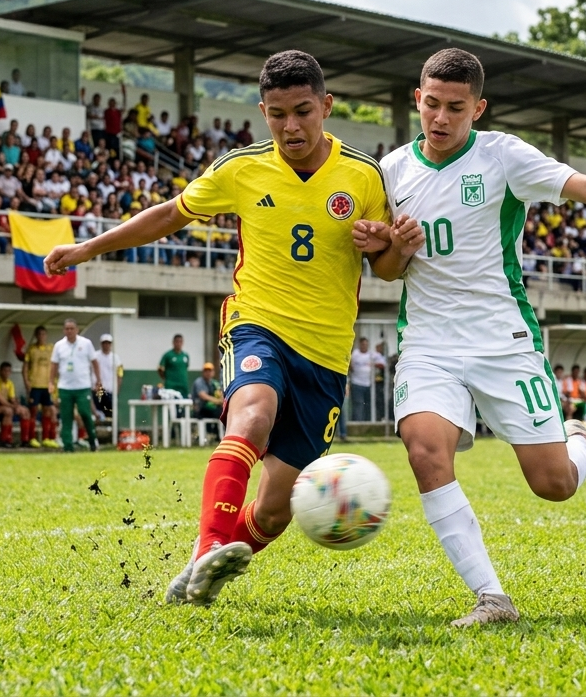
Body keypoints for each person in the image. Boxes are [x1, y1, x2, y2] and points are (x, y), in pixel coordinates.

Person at [362, 47, 586, 625]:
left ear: (479, 107)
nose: (441, 118)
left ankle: (583, 444)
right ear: (415, 100)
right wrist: (394, 247)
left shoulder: (503, 157)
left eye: (456, 107)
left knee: (552, 485)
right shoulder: (390, 171)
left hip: (504, 340)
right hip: (429, 343)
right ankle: (492, 598)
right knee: (425, 452)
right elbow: (388, 271)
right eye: (432, 104)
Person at [43, 50, 389, 607]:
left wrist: (386, 246)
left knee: (277, 508)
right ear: (262, 112)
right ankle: (209, 547)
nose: (291, 126)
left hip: (326, 352)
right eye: (277, 115)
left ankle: (200, 573)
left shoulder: (365, 176)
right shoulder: (242, 167)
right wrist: (88, 246)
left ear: (326, 106)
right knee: (252, 415)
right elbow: (169, 213)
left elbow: (390, 268)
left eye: (303, 111)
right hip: (258, 322)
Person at [50, 318, 97, 452]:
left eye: (72, 328)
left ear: (77, 330)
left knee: (84, 413)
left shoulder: (86, 343)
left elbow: (94, 362)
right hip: (65, 386)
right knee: (66, 417)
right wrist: (51, 382)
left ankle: (93, 440)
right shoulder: (59, 345)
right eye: (67, 329)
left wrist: (97, 380)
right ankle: (68, 446)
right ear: (64, 330)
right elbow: (54, 365)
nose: (69, 331)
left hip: (83, 386)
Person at [23, 326, 57, 444]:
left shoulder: (51, 349)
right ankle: (32, 438)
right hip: (35, 385)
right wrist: (26, 381)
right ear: (36, 336)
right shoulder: (31, 349)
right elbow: (25, 367)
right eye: (39, 334)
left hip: (46, 385)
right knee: (33, 411)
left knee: (47, 410)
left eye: (43, 334)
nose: (41, 336)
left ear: (46, 335)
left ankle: (46, 438)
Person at [0, 361, 33, 447]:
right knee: (9, 411)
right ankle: (5, 439)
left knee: (25, 411)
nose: (7, 373)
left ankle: (25, 440)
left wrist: (17, 404)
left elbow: (12, 398)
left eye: (8, 371)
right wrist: (12, 406)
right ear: (0, 371)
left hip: (7, 405)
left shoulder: (10, 383)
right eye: (5, 370)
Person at [348, 336, 383, 422]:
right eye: (363, 344)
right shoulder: (355, 354)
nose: (364, 346)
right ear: (360, 345)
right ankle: (357, 423)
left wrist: (375, 365)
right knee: (358, 404)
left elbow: (382, 363)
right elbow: (350, 365)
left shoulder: (372, 355)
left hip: (368, 384)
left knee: (368, 404)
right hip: (357, 383)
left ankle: (368, 422)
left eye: (366, 344)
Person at [92, 333, 123, 423]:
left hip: (110, 391)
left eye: (108, 343)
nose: (106, 345)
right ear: (101, 344)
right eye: (104, 343)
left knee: (110, 415)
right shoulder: (95, 356)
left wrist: (117, 390)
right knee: (97, 414)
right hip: (97, 391)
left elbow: (120, 374)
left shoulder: (116, 358)